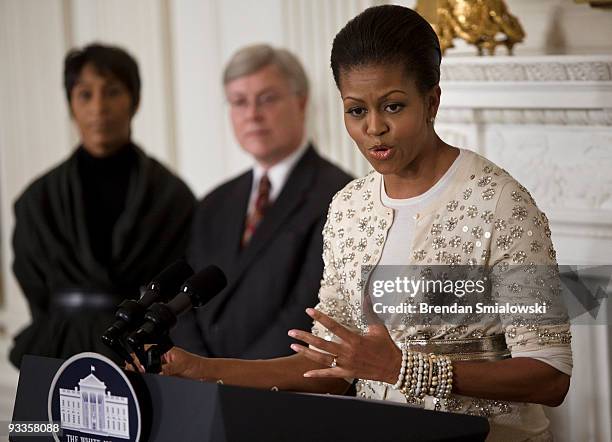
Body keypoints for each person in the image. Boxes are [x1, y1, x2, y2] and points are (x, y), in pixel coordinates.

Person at [158, 6, 572, 441]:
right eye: (356, 111)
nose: (376, 128)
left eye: (393, 106)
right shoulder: (348, 208)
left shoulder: (500, 203)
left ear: (432, 100)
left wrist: (403, 369)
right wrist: (201, 369)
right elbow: (328, 366)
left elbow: (549, 375)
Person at [9, 43, 196, 368]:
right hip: (55, 350)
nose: (99, 107)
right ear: (71, 104)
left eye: (112, 92)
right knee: (39, 423)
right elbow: (34, 286)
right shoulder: (37, 199)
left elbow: (180, 282)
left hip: (141, 352)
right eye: (85, 94)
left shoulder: (171, 196)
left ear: (134, 101)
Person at [170, 45, 352, 359]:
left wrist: (234, 375)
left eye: (267, 99)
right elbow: (181, 300)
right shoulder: (213, 203)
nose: (252, 114)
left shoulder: (339, 195)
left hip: (280, 390)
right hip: (199, 383)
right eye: (239, 102)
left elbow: (309, 309)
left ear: (302, 101)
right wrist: (201, 368)